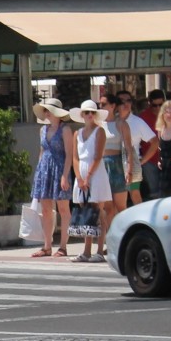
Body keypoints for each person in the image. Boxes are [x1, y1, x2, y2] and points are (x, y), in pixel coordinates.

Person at [68, 99, 113, 263]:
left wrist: (87, 177)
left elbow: (98, 155)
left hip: (96, 172)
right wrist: (79, 178)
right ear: (82, 114)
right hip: (82, 172)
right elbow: (75, 157)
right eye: (86, 112)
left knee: (97, 209)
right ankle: (86, 251)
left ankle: (100, 250)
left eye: (91, 112)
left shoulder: (99, 131)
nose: (88, 115)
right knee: (85, 209)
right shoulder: (77, 134)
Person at [29, 98, 73, 258]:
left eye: (48, 110)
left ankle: (63, 246)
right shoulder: (42, 130)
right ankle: (47, 246)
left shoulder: (65, 130)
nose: (46, 113)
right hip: (45, 169)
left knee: (63, 208)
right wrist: (38, 174)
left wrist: (65, 176)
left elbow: (69, 154)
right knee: (46, 209)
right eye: (45, 110)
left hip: (60, 169)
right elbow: (42, 151)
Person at [98, 95, 136, 249]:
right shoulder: (99, 124)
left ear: (113, 106)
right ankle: (111, 240)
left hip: (117, 165)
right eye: (99, 104)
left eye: (104, 104)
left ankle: (127, 239)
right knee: (108, 207)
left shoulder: (121, 124)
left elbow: (128, 149)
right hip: (102, 165)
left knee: (121, 205)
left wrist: (129, 169)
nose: (101, 107)